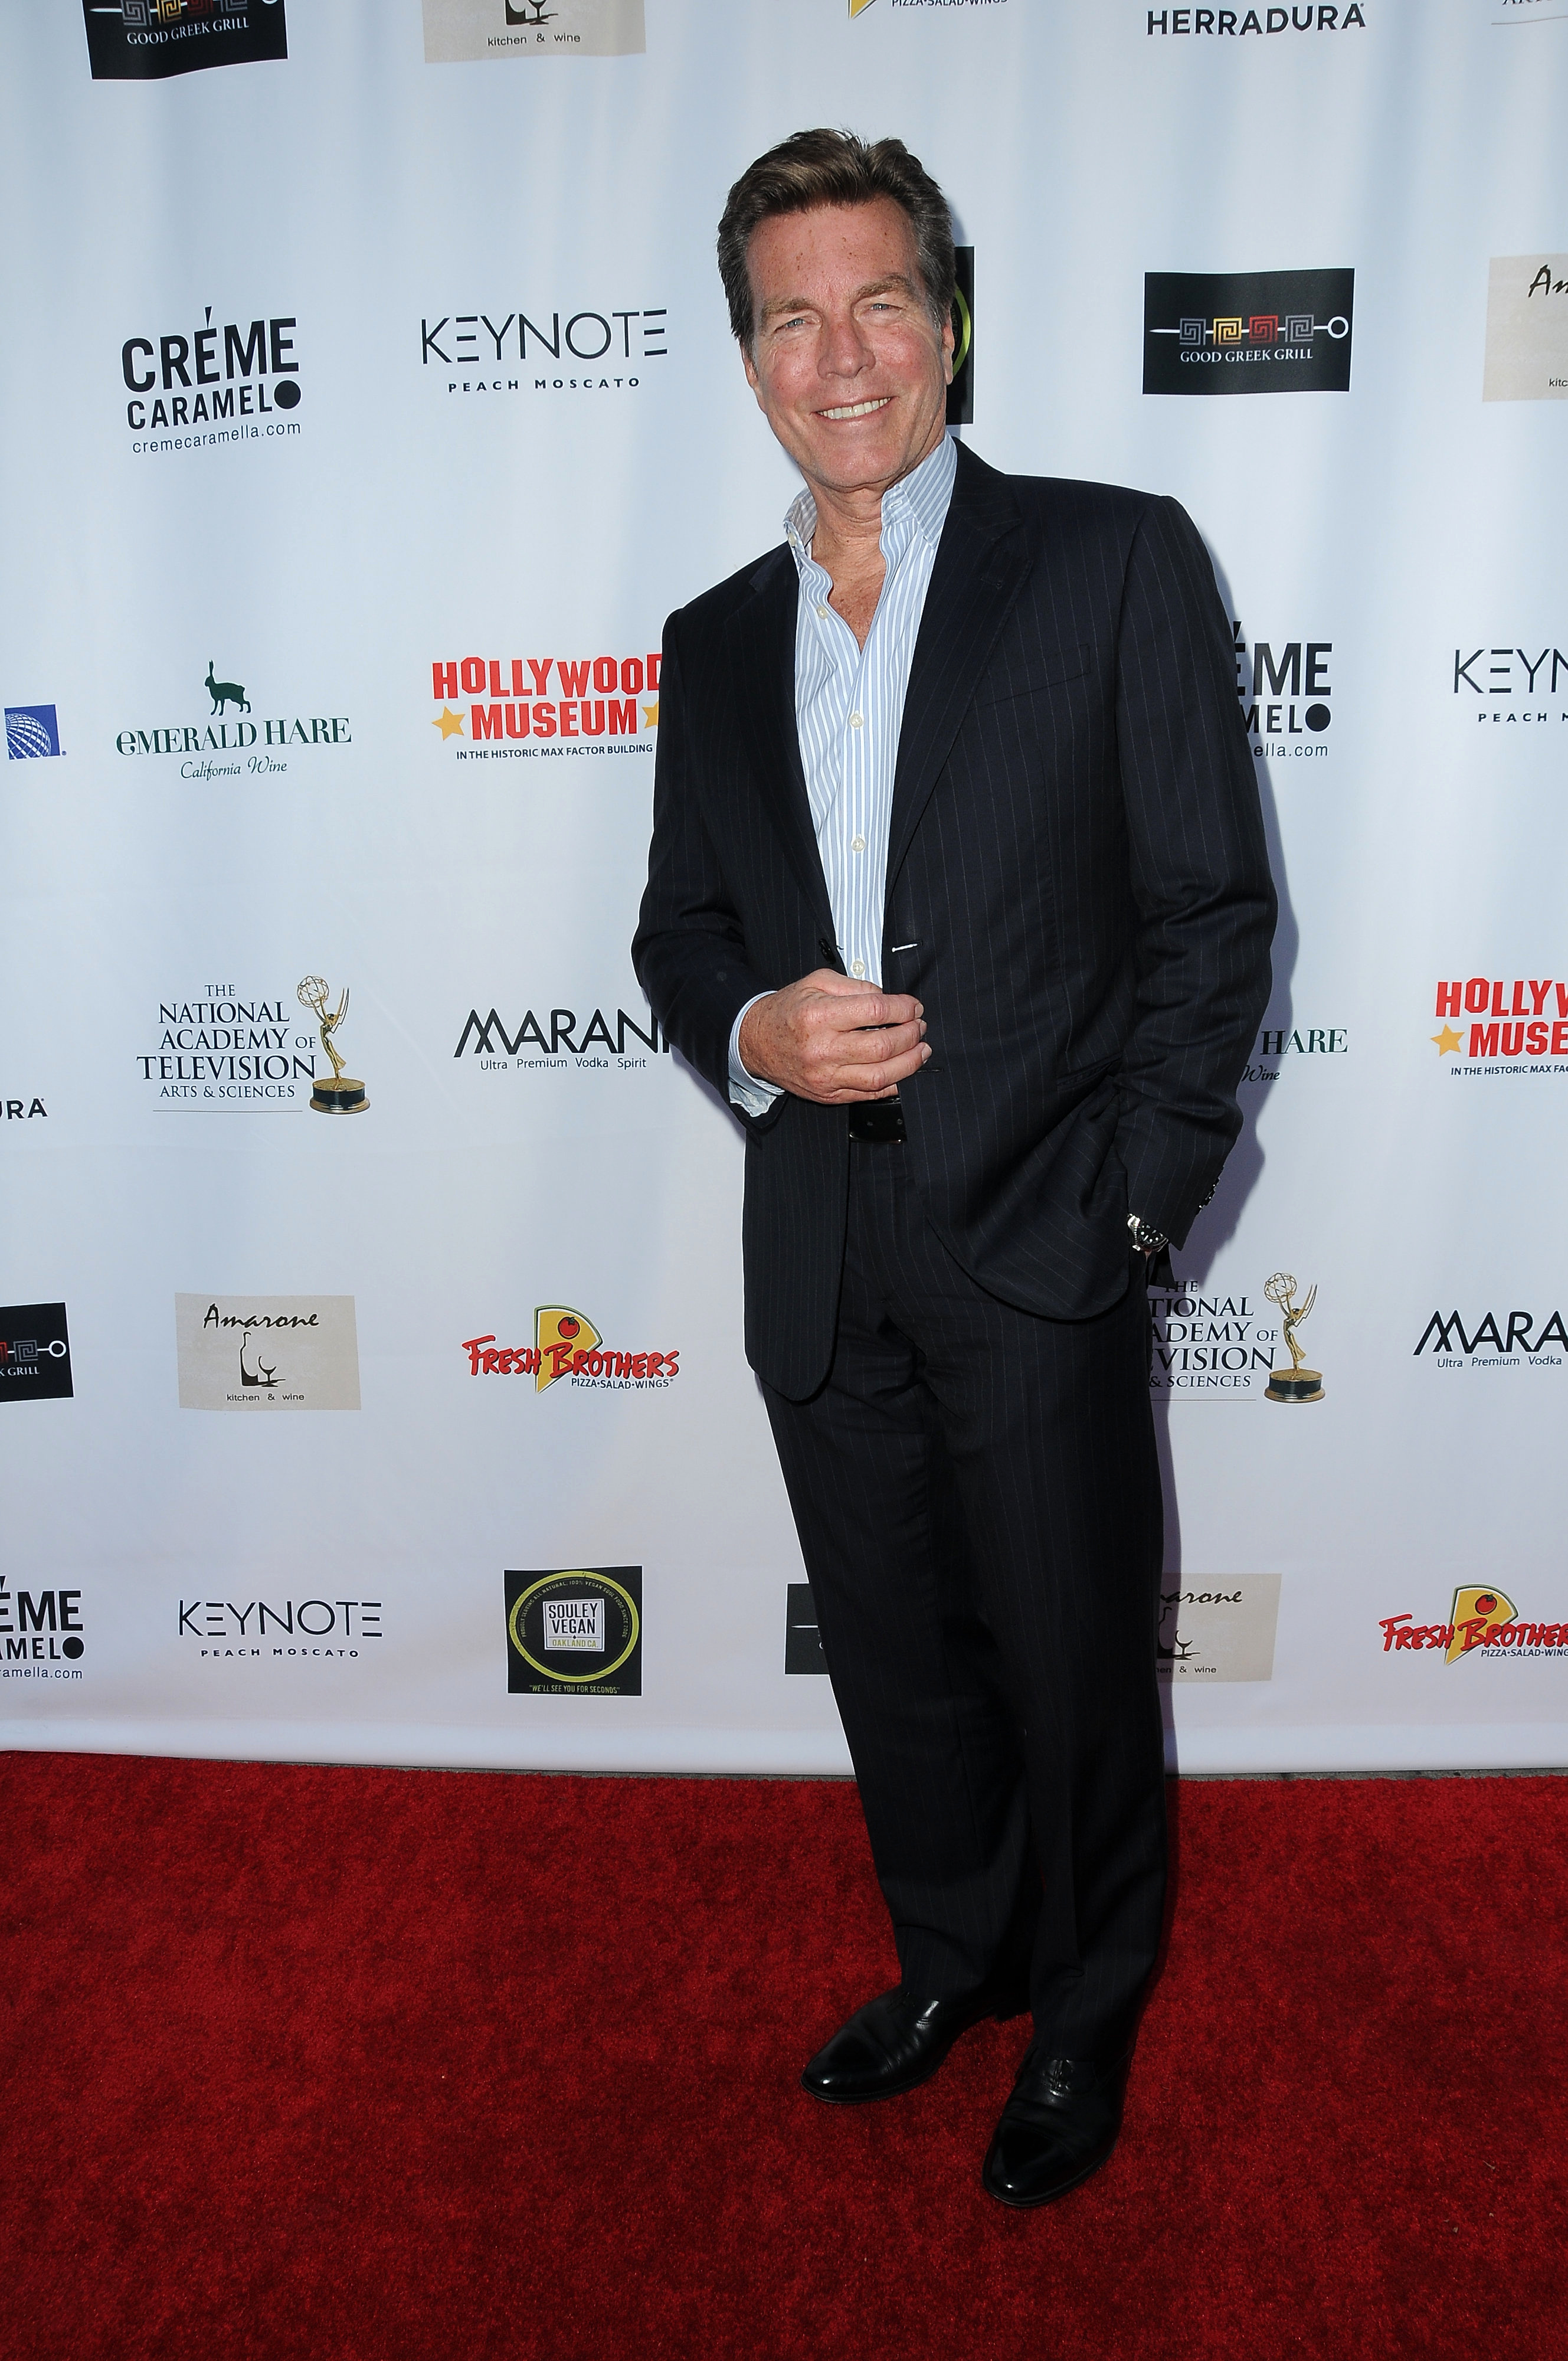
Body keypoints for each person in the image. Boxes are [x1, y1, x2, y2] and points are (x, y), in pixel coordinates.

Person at [633, 129, 1274, 2208]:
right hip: (818, 1246)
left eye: (880, 302)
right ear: (747, 358)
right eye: (792, 318)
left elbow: (1211, 916)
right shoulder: (711, 638)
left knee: (1073, 1666)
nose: (841, 356)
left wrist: (1130, 1211)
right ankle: (953, 1959)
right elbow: (678, 931)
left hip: (1039, 1238)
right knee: (898, 1659)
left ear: (949, 321)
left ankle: (1082, 2012)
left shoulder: (1108, 560)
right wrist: (752, 1034)